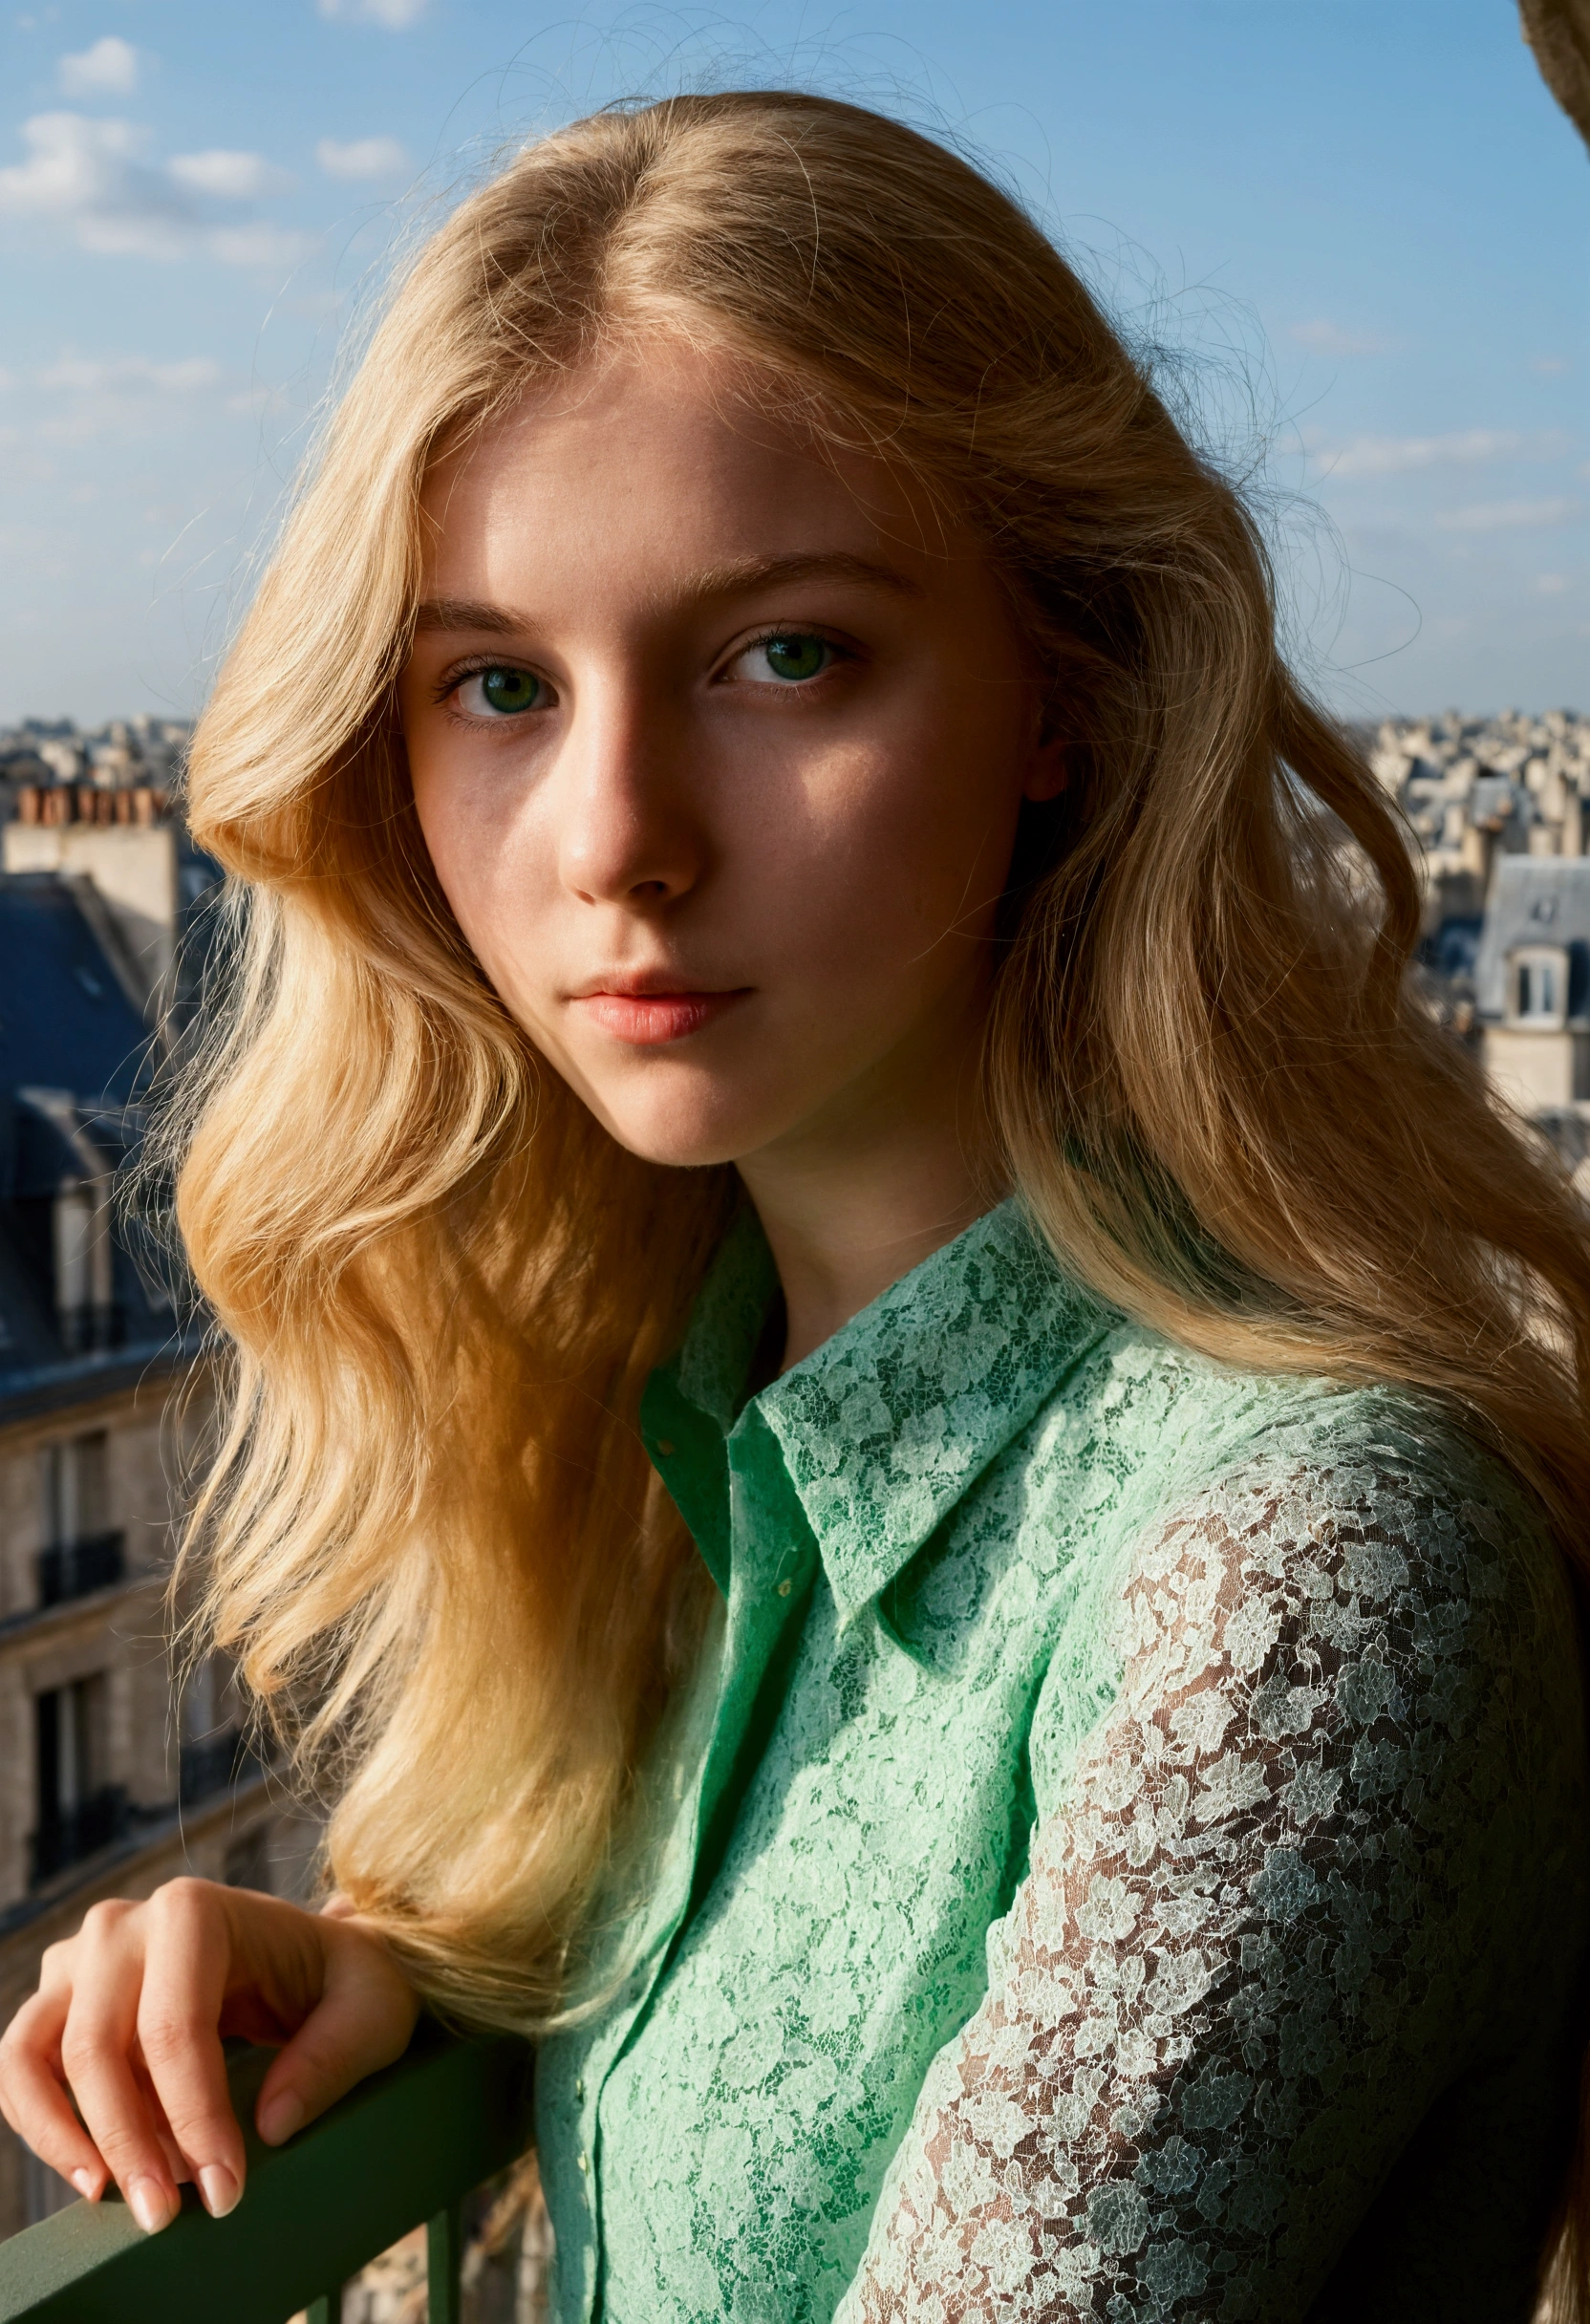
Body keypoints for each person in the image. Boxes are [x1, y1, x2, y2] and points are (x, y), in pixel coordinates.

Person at [2, 90, 1588, 2324]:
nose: (615, 835)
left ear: (1069, 686)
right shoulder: (713, 1431)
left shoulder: (1294, 1570)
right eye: (496, 686)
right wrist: (423, 1977)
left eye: (784, 655)